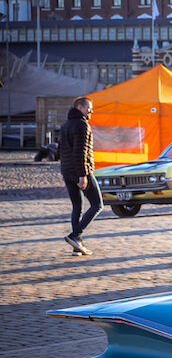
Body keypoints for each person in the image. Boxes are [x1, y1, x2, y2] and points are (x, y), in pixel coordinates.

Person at [60, 96, 101, 256]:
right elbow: (80, 152)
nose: (91, 111)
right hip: (81, 171)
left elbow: (61, 150)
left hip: (67, 171)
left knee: (77, 206)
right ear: (80, 108)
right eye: (88, 108)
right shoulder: (82, 125)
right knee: (97, 204)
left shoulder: (66, 125)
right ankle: (75, 236)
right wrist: (82, 175)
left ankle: (76, 245)